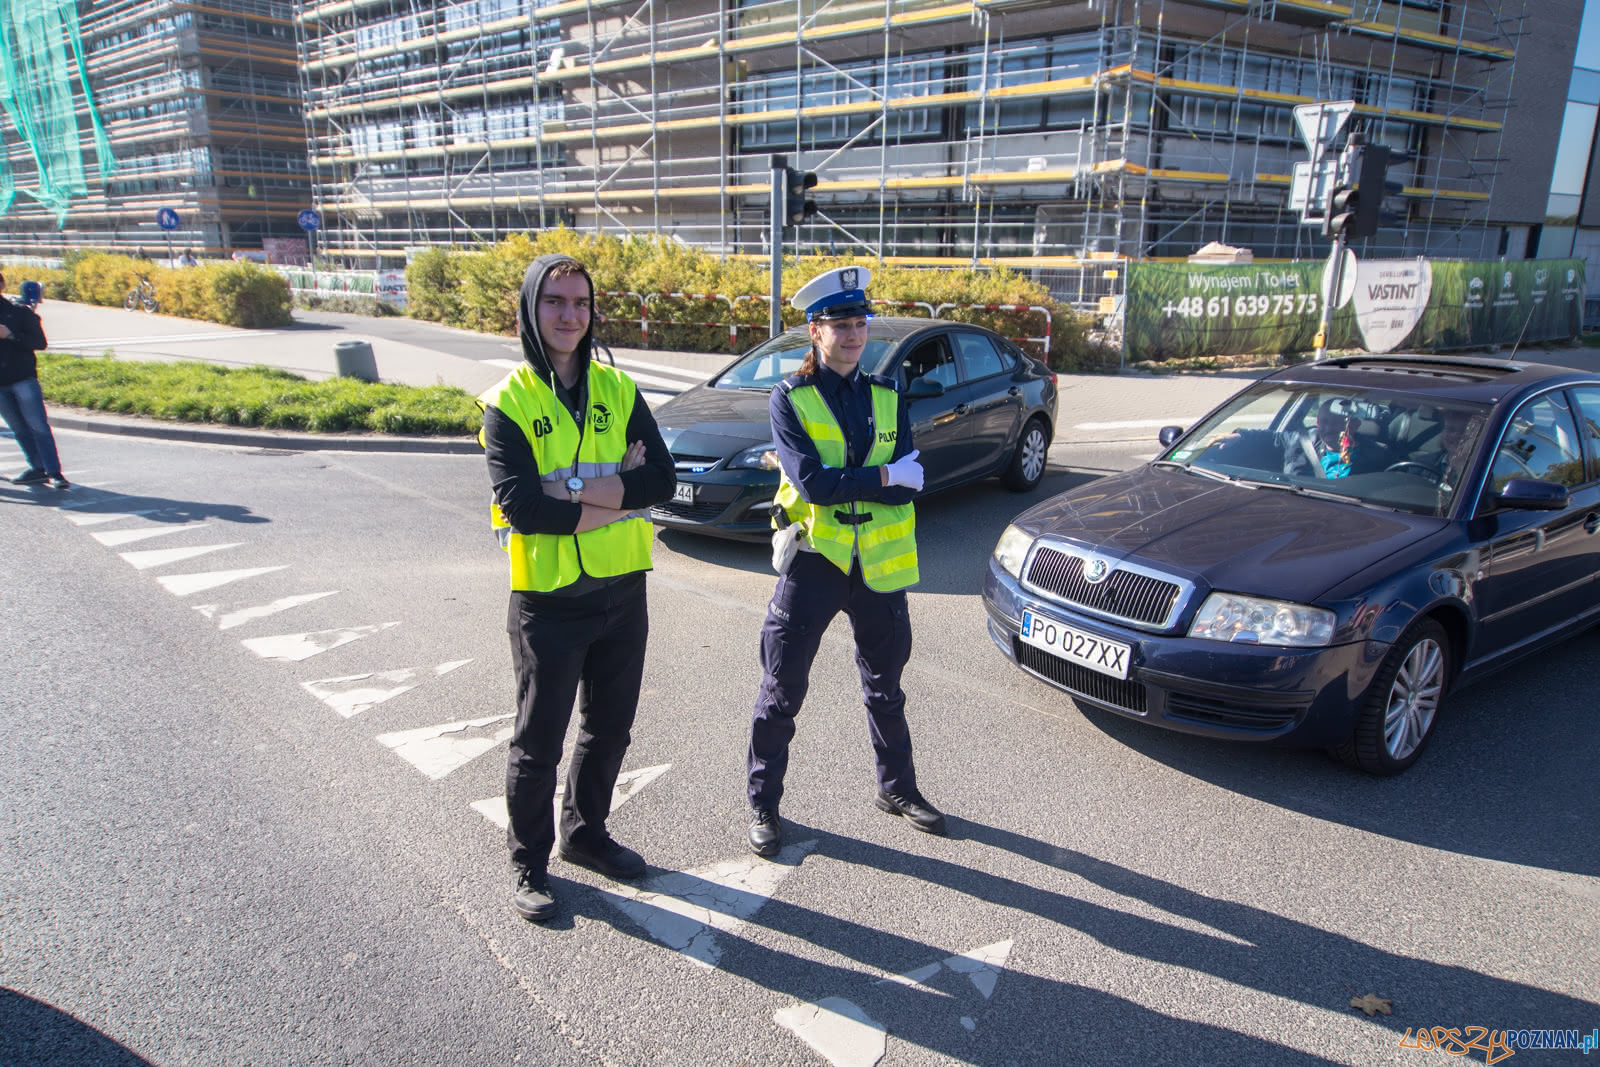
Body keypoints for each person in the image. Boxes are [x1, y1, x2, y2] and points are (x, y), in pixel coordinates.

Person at [479, 254, 676, 924]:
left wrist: (573, 492)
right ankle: (527, 861)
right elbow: (524, 509)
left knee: (609, 726)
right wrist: (617, 493)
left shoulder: (619, 389)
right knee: (539, 741)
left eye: (581, 303)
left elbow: (663, 482)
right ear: (532, 312)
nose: (570, 315)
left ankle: (585, 833)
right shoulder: (508, 404)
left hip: (623, 592)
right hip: (550, 601)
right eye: (555, 302)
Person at [744, 265, 946, 859]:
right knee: (781, 689)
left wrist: (871, 481)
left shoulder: (887, 394)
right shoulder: (791, 398)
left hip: (878, 566)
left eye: (860, 323)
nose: (854, 335)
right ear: (815, 331)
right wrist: (883, 476)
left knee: (887, 687)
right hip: (817, 559)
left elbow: (915, 485)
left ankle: (897, 789)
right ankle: (762, 803)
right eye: (840, 324)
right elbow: (813, 484)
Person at [0, 269, 68, 489]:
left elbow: (40, 342)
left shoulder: (19, 312)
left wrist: (10, 335)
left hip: (22, 378)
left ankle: (54, 472)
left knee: (38, 426)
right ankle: (37, 468)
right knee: (18, 429)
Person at [1217, 398, 1367, 480]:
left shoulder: (1374, 457)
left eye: (1336, 423)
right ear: (1317, 423)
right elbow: (1272, 438)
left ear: (1354, 425)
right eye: (1324, 422)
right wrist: (1240, 436)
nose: (1328, 429)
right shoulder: (1304, 440)